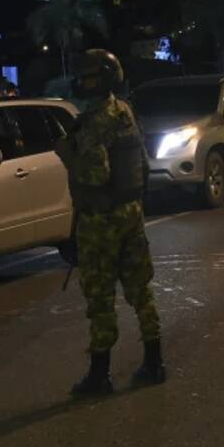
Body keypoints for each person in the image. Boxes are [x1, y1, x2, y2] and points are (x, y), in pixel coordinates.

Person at [54, 49, 165, 395]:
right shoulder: (125, 112)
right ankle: (154, 361)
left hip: (101, 220)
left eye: (88, 77)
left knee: (100, 297)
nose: (82, 83)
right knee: (140, 290)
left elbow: (95, 174)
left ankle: (99, 375)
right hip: (131, 212)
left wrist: (67, 152)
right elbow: (143, 165)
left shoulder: (95, 121)